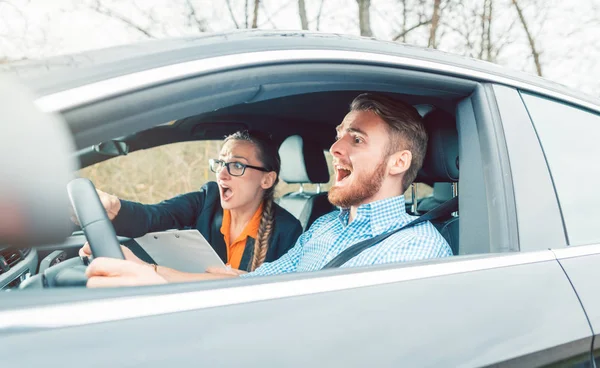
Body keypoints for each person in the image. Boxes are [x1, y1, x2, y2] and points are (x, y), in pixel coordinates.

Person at [83, 93, 452, 287]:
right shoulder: (325, 228)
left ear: (398, 162)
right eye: (338, 135)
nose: (335, 148)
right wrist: (149, 272)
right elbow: (252, 283)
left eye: (355, 139)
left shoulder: (417, 250)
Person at [79, 130, 303, 278]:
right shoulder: (208, 198)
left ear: (267, 179)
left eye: (237, 166)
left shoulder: (287, 230)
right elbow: (153, 217)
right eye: (221, 163)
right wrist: (114, 207)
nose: (222, 174)